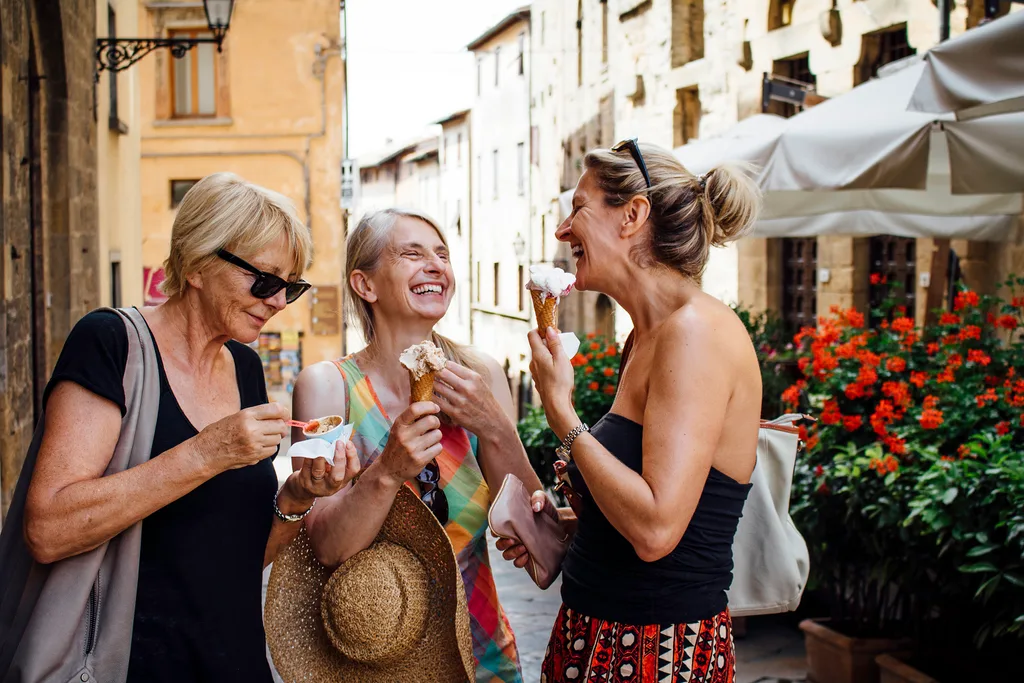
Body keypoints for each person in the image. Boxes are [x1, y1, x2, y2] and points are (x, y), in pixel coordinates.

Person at [23, 173, 359, 682]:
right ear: (200, 263)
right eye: (264, 280)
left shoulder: (245, 366)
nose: (278, 302)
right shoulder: (110, 343)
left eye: (291, 287)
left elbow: (238, 560)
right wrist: (206, 453)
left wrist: (295, 497)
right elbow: (48, 530)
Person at [497, 140, 763, 682]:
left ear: (633, 215)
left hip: (656, 653)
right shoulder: (645, 336)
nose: (562, 230)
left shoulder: (695, 334)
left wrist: (561, 412)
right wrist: (569, 529)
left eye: (578, 208)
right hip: (600, 637)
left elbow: (657, 530)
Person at [291, 208, 542, 683]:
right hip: (369, 666)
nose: (436, 265)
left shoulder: (481, 376)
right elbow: (322, 547)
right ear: (365, 285)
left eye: (442, 255)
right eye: (412, 253)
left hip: (483, 658)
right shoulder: (327, 389)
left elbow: (535, 533)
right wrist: (387, 470)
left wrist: (495, 428)